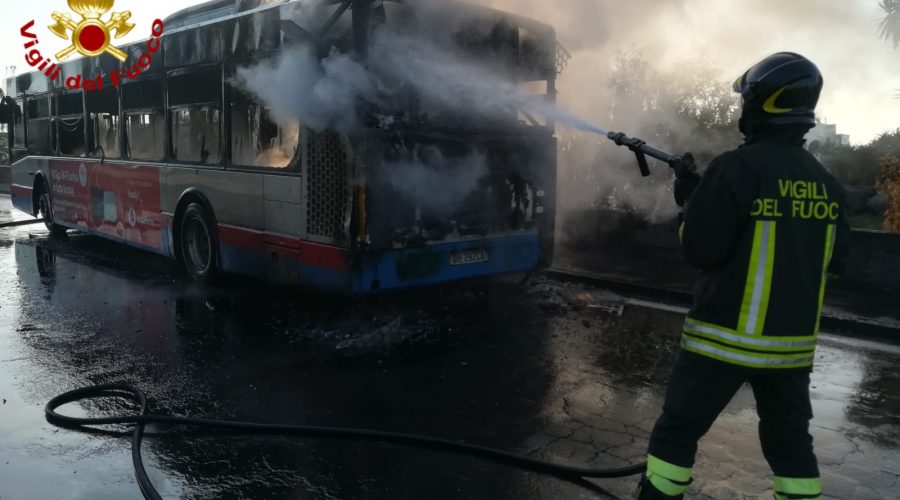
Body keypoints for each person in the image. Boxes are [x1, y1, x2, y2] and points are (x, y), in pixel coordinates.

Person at [638, 52, 850, 500]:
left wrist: (689, 203)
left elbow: (701, 249)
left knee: (677, 434)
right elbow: (836, 262)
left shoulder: (736, 168)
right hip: (790, 351)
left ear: (762, 104)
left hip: (722, 341)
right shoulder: (827, 184)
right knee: (792, 448)